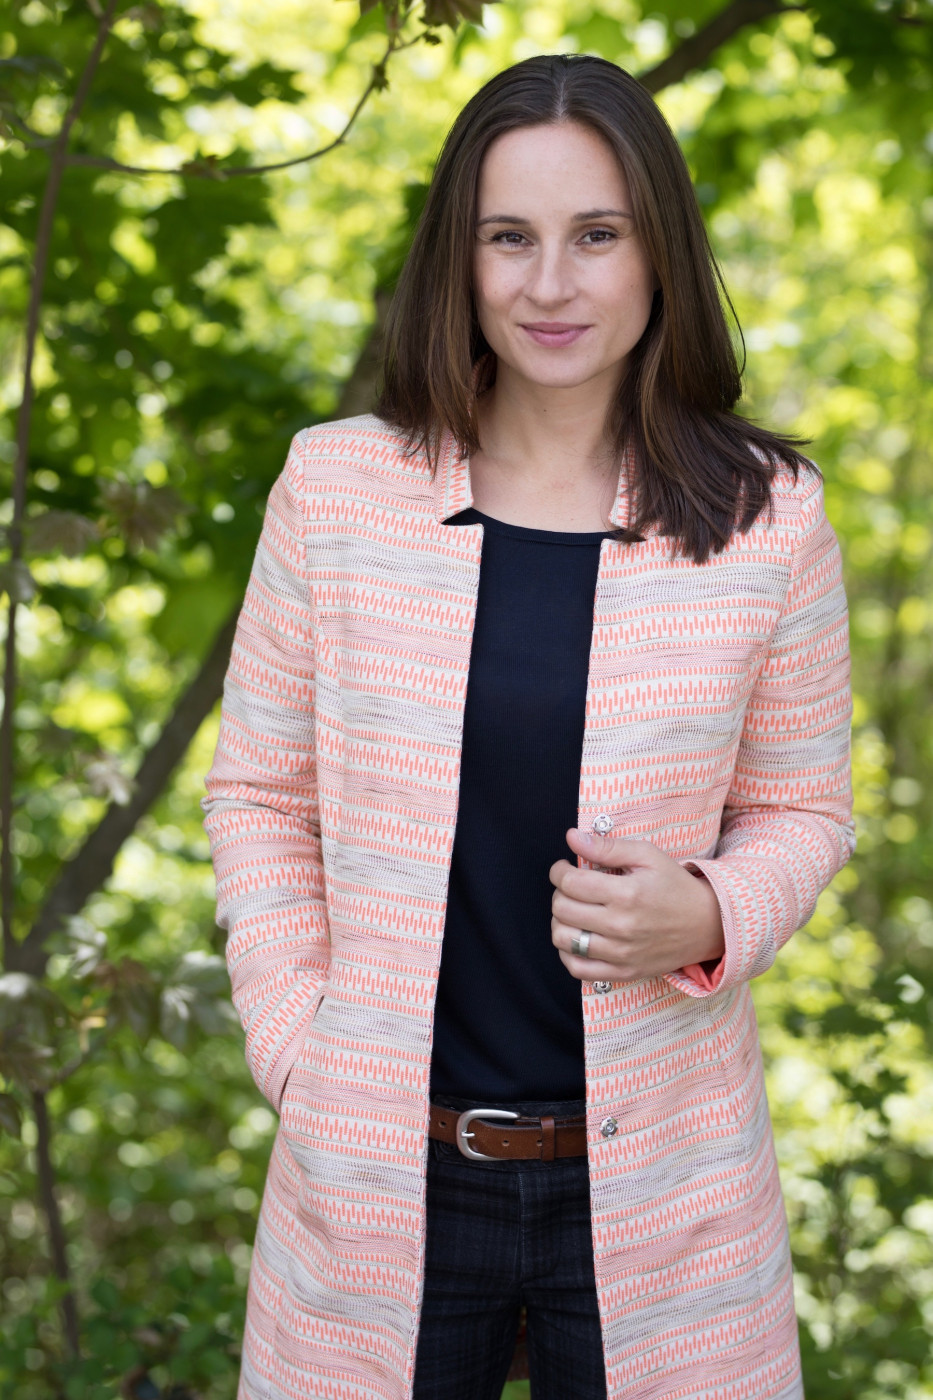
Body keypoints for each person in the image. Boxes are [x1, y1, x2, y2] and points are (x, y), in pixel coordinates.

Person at [203, 52, 854, 1400]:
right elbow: (259, 793)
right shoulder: (335, 490)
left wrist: (713, 912)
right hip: (380, 1174)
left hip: (664, 1188)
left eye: (595, 235)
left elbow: (802, 809)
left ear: (659, 250)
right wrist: (299, 1047)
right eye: (509, 237)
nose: (549, 284)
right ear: (460, 255)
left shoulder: (767, 516)